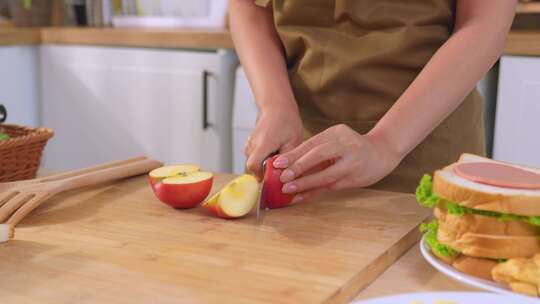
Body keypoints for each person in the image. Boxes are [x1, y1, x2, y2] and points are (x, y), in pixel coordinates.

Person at [229, 0, 517, 202]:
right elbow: (246, 5)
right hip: (297, 154)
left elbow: (484, 21)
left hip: (424, 150)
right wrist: (274, 105)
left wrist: (386, 143)